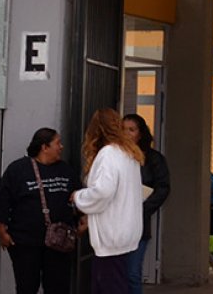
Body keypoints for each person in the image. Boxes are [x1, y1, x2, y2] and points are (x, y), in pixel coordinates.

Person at [0, 128, 80, 294]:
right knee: (26, 287)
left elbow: (80, 198)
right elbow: (2, 202)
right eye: (57, 143)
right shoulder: (18, 170)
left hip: (58, 243)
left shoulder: (66, 170)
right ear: (44, 147)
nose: (61, 147)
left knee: (58, 287)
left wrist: (81, 223)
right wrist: (2, 232)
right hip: (25, 243)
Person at [72, 108, 144, 294]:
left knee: (108, 286)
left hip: (111, 235)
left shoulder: (108, 154)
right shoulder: (129, 153)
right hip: (125, 232)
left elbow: (103, 192)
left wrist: (78, 197)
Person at [122, 114, 170, 294]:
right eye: (123, 129)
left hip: (139, 222)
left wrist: (143, 209)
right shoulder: (114, 155)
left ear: (140, 134)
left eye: (131, 130)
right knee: (116, 272)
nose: (126, 134)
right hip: (115, 224)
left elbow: (163, 188)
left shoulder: (153, 158)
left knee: (132, 272)